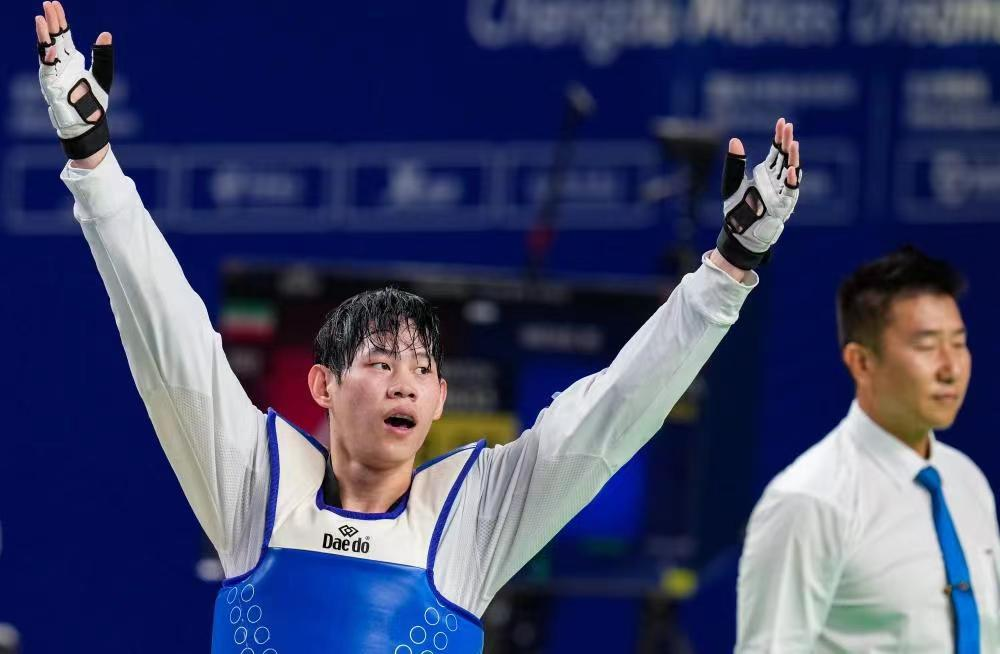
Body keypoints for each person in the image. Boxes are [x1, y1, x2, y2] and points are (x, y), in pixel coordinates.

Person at [34, 2, 803, 651]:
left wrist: (728, 268)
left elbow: (618, 410)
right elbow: (167, 341)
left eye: (422, 369)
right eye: (380, 363)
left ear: (439, 399)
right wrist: (93, 163)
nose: (405, 381)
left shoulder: (471, 517)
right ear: (322, 385)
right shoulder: (254, 487)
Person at [736, 246, 1000, 653]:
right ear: (861, 362)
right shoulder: (809, 501)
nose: (951, 368)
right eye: (927, 346)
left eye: (959, 343)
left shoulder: (967, 480)